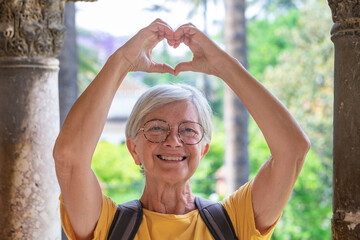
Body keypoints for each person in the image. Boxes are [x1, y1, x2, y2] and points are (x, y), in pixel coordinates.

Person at [53, 19, 310, 240]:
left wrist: (223, 65)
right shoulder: (109, 226)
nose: (174, 141)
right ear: (133, 149)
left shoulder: (233, 223)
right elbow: (69, 158)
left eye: (188, 130)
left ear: (203, 148)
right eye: (156, 128)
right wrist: (122, 61)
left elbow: (292, 149)